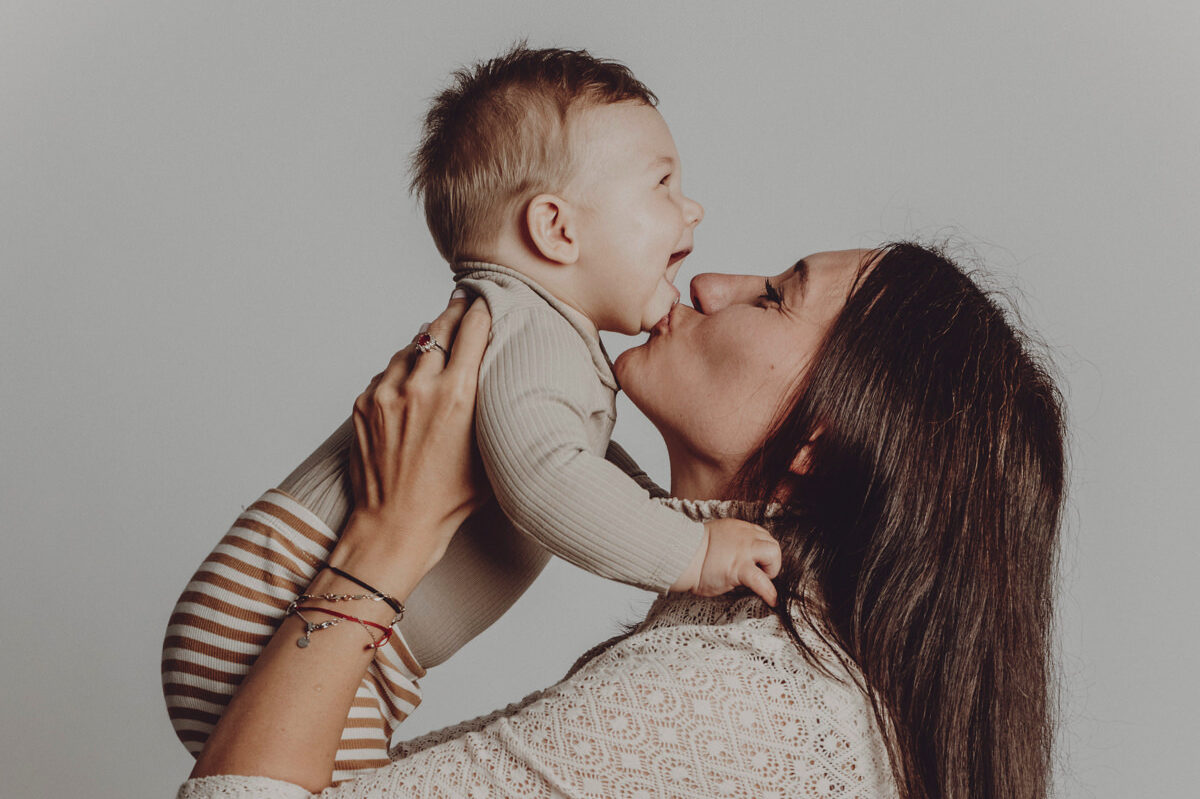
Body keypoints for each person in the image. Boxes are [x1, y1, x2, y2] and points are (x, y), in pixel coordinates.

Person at [177, 242, 1065, 799]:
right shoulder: (780, 675)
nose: (712, 282)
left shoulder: (734, 702)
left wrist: (385, 541)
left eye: (773, 296)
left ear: (820, 447)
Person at [163, 45, 782, 780]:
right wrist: (694, 554)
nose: (692, 208)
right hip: (278, 609)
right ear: (556, 229)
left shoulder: (530, 333)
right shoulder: (528, 327)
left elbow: (571, 459)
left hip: (326, 630)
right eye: (663, 184)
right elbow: (545, 478)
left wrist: (678, 515)